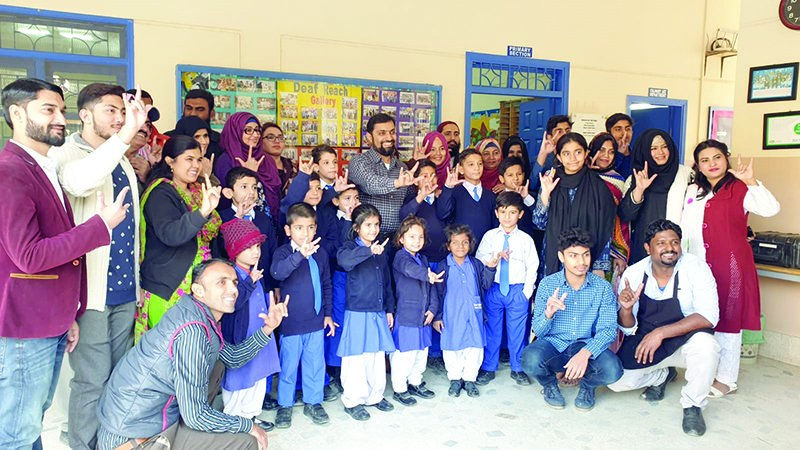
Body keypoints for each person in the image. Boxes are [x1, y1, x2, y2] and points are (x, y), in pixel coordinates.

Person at [0, 78, 131, 450]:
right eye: (48, 109)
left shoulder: (42, 165)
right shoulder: (10, 171)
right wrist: (99, 227)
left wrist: (68, 312)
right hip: (24, 324)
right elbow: (30, 255)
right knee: (17, 430)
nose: (60, 118)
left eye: (61, 109)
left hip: (50, 315)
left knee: (31, 419)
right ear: (16, 113)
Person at [96, 259, 289, 450]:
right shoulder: (193, 330)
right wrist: (247, 425)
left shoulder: (197, 313)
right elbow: (195, 415)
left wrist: (268, 328)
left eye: (234, 282)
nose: (233, 289)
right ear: (198, 290)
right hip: (132, 434)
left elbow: (232, 358)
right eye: (221, 282)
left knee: (219, 364)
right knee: (246, 441)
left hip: (148, 419)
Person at [49, 82, 147, 450]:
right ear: (85, 114)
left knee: (122, 374)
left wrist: (136, 284)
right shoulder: (67, 155)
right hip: (89, 290)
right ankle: (84, 444)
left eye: (123, 112)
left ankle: (113, 441)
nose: (120, 118)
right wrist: (124, 136)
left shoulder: (120, 158)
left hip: (124, 288)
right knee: (91, 379)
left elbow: (131, 230)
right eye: (111, 110)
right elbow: (80, 181)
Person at [680, 141, 780, 397]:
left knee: (728, 320)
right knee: (700, 315)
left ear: (726, 159)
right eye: (705, 160)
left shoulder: (740, 188)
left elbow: (771, 209)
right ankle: (703, 371)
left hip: (732, 265)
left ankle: (726, 379)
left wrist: (751, 181)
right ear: (698, 165)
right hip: (698, 263)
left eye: (717, 157)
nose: (712, 164)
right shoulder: (693, 190)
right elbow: (686, 225)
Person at [608, 219, 721, 436]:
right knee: (616, 380)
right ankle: (662, 376)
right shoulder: (633, 273)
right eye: (661, 243)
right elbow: (629, 330)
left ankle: (693, 405)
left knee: (707, 347)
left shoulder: (696, 268)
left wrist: (661, 333)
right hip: (647, 341)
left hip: (686, 340)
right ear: (648, 248)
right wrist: (626, 309)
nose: (669, 248)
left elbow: (709, 316)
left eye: (674, 242)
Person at [521, 228, 622, 411]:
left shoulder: (602, 288)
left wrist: (585, 353)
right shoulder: (548, 284)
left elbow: (607, 331)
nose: (581, 262)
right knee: (529, 359)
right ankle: (550, 386)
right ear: (562, 257)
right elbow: (539, 330)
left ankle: (587, 387)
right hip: (554, 345)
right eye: (573, 256)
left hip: (585, 344)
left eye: (586, 255)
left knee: (613, 370)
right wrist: (548, 314)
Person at [134, 136, 222, 340]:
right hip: (169, 286)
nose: (195, 165)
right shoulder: (160, 193)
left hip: (196, 286)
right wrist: (201, 213)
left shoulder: (198, 192)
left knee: (191, 354)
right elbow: (171, 234)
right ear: (170, 162)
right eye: (189, 159)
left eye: (199, 160)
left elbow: (213, 230)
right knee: (167, 356)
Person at [270, 202, 334, 428]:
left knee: (315, 364)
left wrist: (327, 315)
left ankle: (313, 402)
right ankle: (285, 405)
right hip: (291, 323)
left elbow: (326, 284)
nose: (305, 233)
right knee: (288, 366)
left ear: (315, 229)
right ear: (288, 230)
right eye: (298, 228)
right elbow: (278, 272)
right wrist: (300, 256)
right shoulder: (284, 252)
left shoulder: (321, 254)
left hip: (315, 322)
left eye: (309, 228)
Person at [336, 204, 396, 420]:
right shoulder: (349, 248)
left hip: (378, 311)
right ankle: (353, 400)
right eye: (368, 225)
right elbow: (345, 262)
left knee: (376, 357)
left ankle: (375, 396)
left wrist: (389, 309)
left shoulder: (381, 251)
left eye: (376, 225)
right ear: (356, 228)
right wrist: (368, 251)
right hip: (358, 311)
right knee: (356, 359)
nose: (373, 229)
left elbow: (387, 283)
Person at [218, 219, 280, 429]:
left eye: (257, 246)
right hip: (242, 338)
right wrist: (249, 282)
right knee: (240, 379)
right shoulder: (229, 275)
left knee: (258, 376)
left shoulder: (255, 273)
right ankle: (234, 420)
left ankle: (251, 417)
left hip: (260, 333)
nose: (255, 252)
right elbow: (232, 305)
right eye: (249, 247)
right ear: (235, 250)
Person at [474, 192, 539, 386]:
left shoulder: (526, 239)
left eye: (512, 212)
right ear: (496, 213)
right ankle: (488, 367)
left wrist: (526, 293)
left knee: (517, 331)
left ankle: (518, 368)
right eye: (503, 212)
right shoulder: (490, 236)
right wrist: (493, 258)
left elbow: (532, 266)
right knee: (492, 329)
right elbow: (478, 259)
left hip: (517, 290)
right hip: (494, 289)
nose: (507, 217)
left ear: (520, 214)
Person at [532, 133, 616, 276]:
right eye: (566, 153)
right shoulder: (550, 179)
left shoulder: (598, 186)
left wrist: (599, 267)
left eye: (578, 152)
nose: (572, 159)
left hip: (586, 262)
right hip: (554, 260)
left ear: (586, 154)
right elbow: (539, 223)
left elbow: (605, 230)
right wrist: (545, 194)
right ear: (558, 157)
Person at [433, 225, 497, 398]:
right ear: (448, 246)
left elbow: (485, 284)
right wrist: (437, 316)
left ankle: (470, 379)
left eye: (465, 242)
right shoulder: (443, 266)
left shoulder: (475, 264)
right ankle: (455, 379)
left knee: (474, 346)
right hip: (451, 314)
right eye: (455, 242)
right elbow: (437, 293)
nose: (460, 246)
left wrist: (490, 268)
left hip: (473, 314)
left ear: (470, 245)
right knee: (452, 347)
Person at [390, 216, 442, 406]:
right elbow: (409, 270)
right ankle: (400, 389)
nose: (417, 241)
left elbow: (432, 288)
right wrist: (427, 275)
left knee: (421, 353)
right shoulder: (400, 257)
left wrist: (433, 309)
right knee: (405, 355)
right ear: (401, 239)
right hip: (407, 315)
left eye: (420, 237)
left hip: (424, 316)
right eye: (411, 237)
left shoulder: (423, 259)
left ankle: (415, 382)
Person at [619, 129, 692, 264]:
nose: (660, 152)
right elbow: (626, 215)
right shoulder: (636, 178)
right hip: (645, 247)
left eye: (664, 147)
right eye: (654, 148)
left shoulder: (686, 175)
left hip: (677, 245)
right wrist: (639, 189)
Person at [348, 113, 418, 236]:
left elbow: (409, 201)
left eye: (392, 132)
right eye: (382, 133)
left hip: (398, 238)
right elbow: (370, 184)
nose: (389, 137)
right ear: (369, 137)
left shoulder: (402, 167)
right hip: (369, 239)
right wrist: (397, 183)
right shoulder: (359, 162)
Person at [324, 186, 361, 394]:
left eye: (356, 198)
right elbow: (335, 250)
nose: (353, 202)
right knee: (337, 319)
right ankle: (334, 367)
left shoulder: (362, 219)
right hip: (336, 275)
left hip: (357, 278)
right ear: (336, 201)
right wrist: (347, 221)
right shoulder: (331, 219)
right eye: (347, 198)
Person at [217, 167, 277, 293]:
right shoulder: (221, 218)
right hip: (233, 287)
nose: (251, 192)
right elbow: (221, 250)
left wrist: (274, 286)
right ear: (229, 193)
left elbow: (272, 252)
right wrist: (237, 218)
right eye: (244, 187)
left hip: (262, 284)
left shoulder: (263, 219)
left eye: (254, 187)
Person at [215, 112, 282, 225]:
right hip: (239, 224)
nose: (255, 135)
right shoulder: (226, 160)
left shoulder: (267, 160)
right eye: (248, 130)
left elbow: (276, 195)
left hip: (268, 224)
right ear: (236, 132)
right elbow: (224, 201)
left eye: (257, 130)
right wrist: (248, 173)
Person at [587, 132, 630, 279]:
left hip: (609, 244)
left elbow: (620, 218)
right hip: (581, 241)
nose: (606, 156)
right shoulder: (579, 176)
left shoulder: (618, 181)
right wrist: (587, 174)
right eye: (602, 150)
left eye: (611, 152)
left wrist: (620, 252)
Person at [437, 148, 498, 244]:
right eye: (471, 164)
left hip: (484, 249)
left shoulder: (490, 196)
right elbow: (442, 214)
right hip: (461, 249)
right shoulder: (454, 193)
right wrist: (448, 188)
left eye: (480, 164)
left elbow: (495, 225)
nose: (477, 168)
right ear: (461, 169)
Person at [399, 160, 447, 263]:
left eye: (433, 176)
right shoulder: (412, 199)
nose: (430, 179)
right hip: (420, 258)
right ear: (416, 181)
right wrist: (422, 195)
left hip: (443, 257)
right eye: (425, 176)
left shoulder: (442, 199)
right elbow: (404, 216)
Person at [531, 114, 572, 189]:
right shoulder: (542, 159)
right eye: (559, 132)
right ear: (550, 137)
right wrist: (543, 154)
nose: (565, 135)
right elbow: (533, 186)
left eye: (567, 131)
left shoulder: (576, 158)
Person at [261, 122, 297, 196]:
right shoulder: (257, 166)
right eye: (270, 137)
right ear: (260, 141)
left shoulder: (292, 165)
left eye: (280, 138)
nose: (277, 141)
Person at [605, 113, 634, 179]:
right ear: (609, 133)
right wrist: (619, 154)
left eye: (628, 129)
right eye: (618, 129)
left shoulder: (638, 156)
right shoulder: (604, 156)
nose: (624, 134)